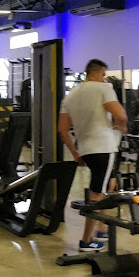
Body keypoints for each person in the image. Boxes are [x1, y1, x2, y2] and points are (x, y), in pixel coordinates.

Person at [58, 59, 127, 252]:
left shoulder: (70, 96)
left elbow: (62, 130)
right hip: (103, 147)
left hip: (86, 150)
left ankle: (101, 228)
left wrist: (75, 153)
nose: (104, 78)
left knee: (107, 184)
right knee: (97, 193)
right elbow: (121, 115)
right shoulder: (103, 88)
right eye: (103, 74)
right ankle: (86, 240)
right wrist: (122, 127)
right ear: (95, 73)